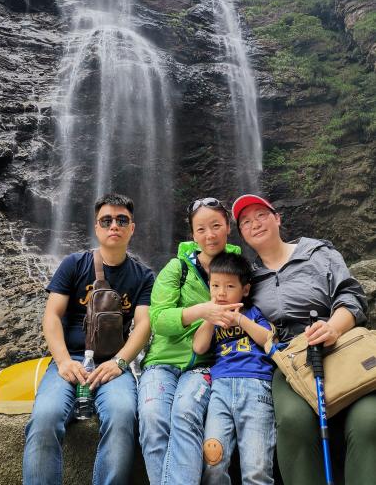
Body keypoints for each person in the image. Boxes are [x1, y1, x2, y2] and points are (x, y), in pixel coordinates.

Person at [231, 193, 376, 485]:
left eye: (261, 215)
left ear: (277, 218)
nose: (254, 223)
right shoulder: (248, 279)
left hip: (339, 346)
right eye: (245, 221)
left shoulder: (319, 252)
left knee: (369, 420)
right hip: (289, 362)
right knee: (293, 421)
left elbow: (350, 295)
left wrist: (333, 328)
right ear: (242, 234)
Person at [23, 193, 154, 485]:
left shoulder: (143, 276)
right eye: (106, 220)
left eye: (122, 220)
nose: (114, 226)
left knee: (122, 415)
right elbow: (52, 316)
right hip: (68, 360)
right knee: (45, 416)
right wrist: (62, 361)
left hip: (112, 363)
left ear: (132, 228)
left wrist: (120, 362)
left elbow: (144, 325)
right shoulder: (73, 264)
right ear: (96, 227)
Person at [138, 197, 241, 485]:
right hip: (161, 362)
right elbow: (158, 319)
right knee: (152, 417)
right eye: (201, 229)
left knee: (185, 413)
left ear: (228, 227)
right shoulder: (177, 268)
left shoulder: (238, 269)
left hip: (204, 364)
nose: (210, 235)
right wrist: (201, 311)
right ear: (193, 235)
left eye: (216, 226)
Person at [193, 252, 276, 485]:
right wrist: (210, 317)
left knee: (257, 470)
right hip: (220, 389)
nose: (221, 293)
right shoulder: (212, 320)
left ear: (245, 290)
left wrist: (240, 320)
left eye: (229, 286)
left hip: (256, 387)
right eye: (215, 285)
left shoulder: (253, 313)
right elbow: (199, 347)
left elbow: (268, 339)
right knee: (213, 461)